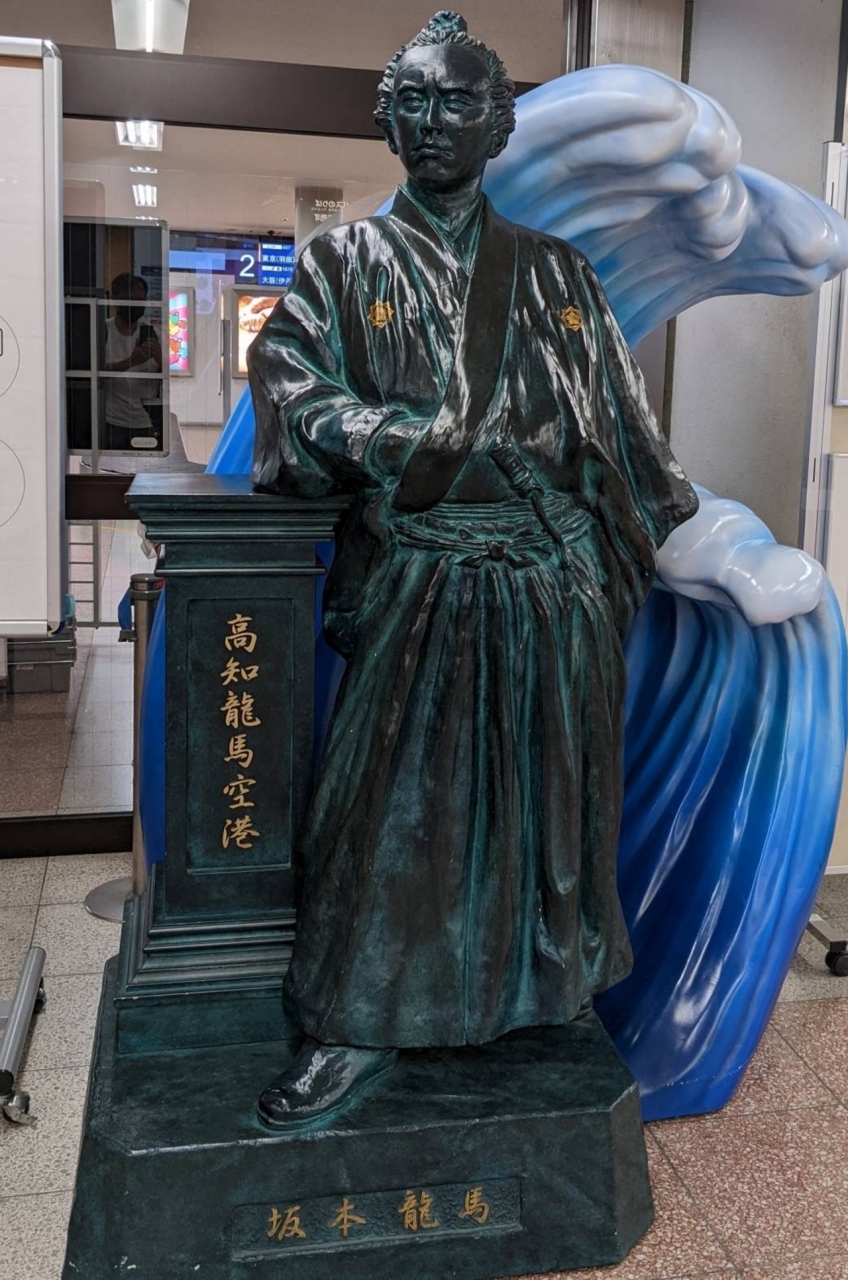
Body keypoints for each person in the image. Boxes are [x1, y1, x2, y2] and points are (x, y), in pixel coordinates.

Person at [249, 10, 698, 1131]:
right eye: (412, 98)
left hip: (549, 581)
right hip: (420, 576)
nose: (433, 119)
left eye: (458, 101)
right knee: (388, 807)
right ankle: (356, 1016)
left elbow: (626, 439)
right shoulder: (342, 264)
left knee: (540, 808)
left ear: (498, 124)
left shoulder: (555, 273)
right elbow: (293, 393)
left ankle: (528, 996)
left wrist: (597, 560)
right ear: (384, 118)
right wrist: (400, 442)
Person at [101, 272, 163, 451]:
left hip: (146, 421)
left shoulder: (155, 335)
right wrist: (132, 361)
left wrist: (160, 359)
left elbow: (170, 379)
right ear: (115, 300)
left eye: (140, 301)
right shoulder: (102, 330)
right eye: (130, 300)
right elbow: (94, 373)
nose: (136, 306)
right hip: (110, 421)